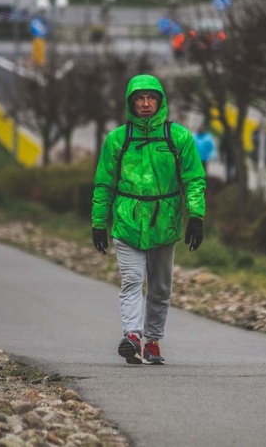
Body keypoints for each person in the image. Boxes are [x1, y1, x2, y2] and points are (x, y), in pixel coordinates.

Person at [91, 74, 207, 365]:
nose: (145, 104)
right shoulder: (118, 139)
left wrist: (196, 217)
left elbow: (194, 179)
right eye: (139, 99)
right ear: (131, 103)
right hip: (127, 222)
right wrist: (98, 222)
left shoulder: (177, 137)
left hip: (164, 223)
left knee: (159, 287)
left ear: (160, 101)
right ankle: (132, 335)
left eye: (150, 98)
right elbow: (104, 184)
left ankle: (152, 341)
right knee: (131, 281)